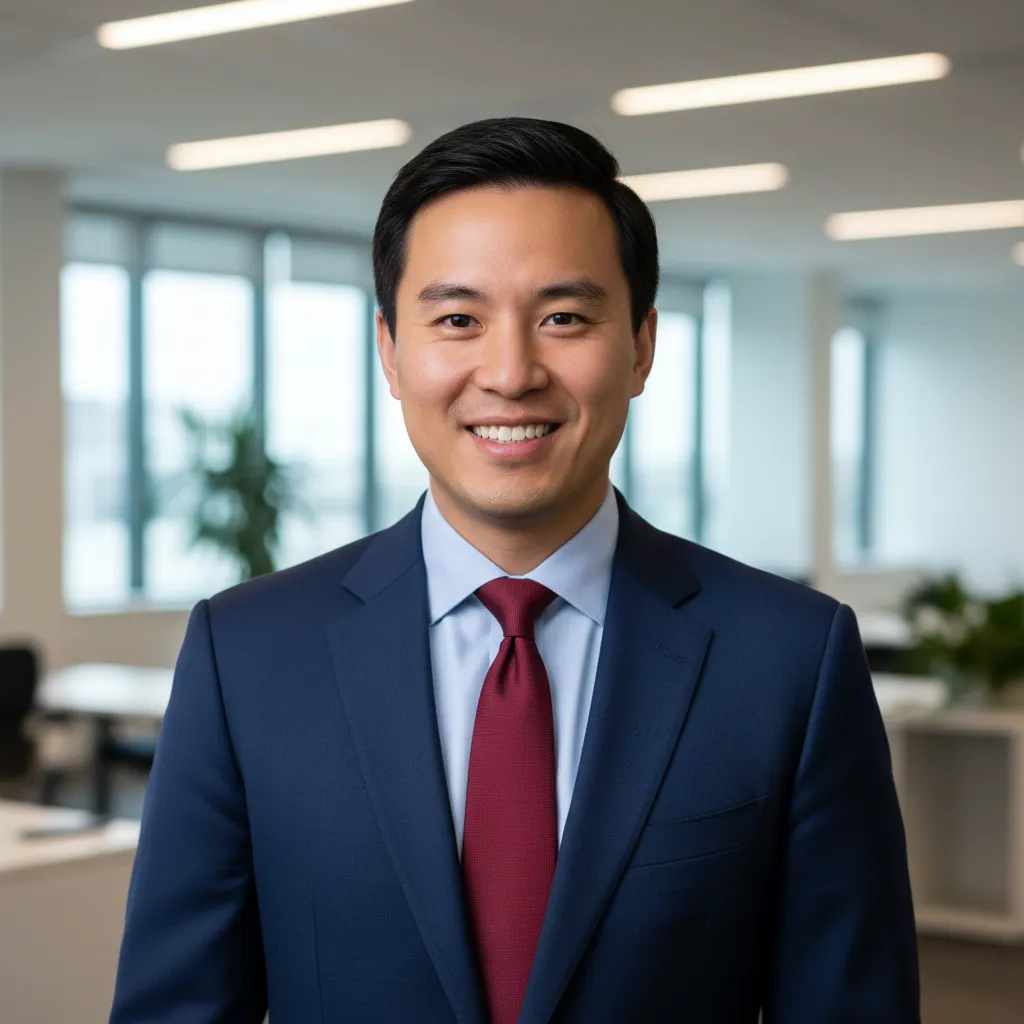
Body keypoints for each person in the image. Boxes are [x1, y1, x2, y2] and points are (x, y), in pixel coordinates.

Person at [110, 117, 919, 1023]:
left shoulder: (790, 661)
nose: (510, 371)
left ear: (643, 344)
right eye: (457, 319)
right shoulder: (248, 653)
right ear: (389, 349)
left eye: (563, 318)